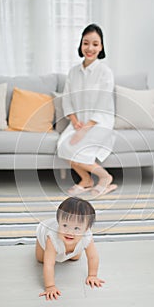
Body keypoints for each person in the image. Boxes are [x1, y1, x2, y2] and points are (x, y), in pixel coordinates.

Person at [57, 23, 117, 197]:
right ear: (81, 45)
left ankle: (105, 178)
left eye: (95, 44)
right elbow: (66, 98)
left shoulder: (105, 72)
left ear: (101, 47)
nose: (90, 48)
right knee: (63, 145)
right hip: (78, 121)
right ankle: (86, 180)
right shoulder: (73, 72)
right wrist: (75, 121)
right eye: (86, 43)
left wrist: (86, 128)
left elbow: (104, 103)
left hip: (99, 122)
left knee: (78, 147)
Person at [36, 196, 105, 301]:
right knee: (41, 259)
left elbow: (93, 257)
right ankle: (60, 250)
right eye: (64, 225)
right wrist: (50, 286)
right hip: (44, 237)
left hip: (72, 245)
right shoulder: (51, 238)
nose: (69, 232)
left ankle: (68, 252)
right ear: (58, 222)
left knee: (75, 257)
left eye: (77, 228)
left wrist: (92, 275)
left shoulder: (87, 236)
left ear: (86, 229)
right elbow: (49, 265)